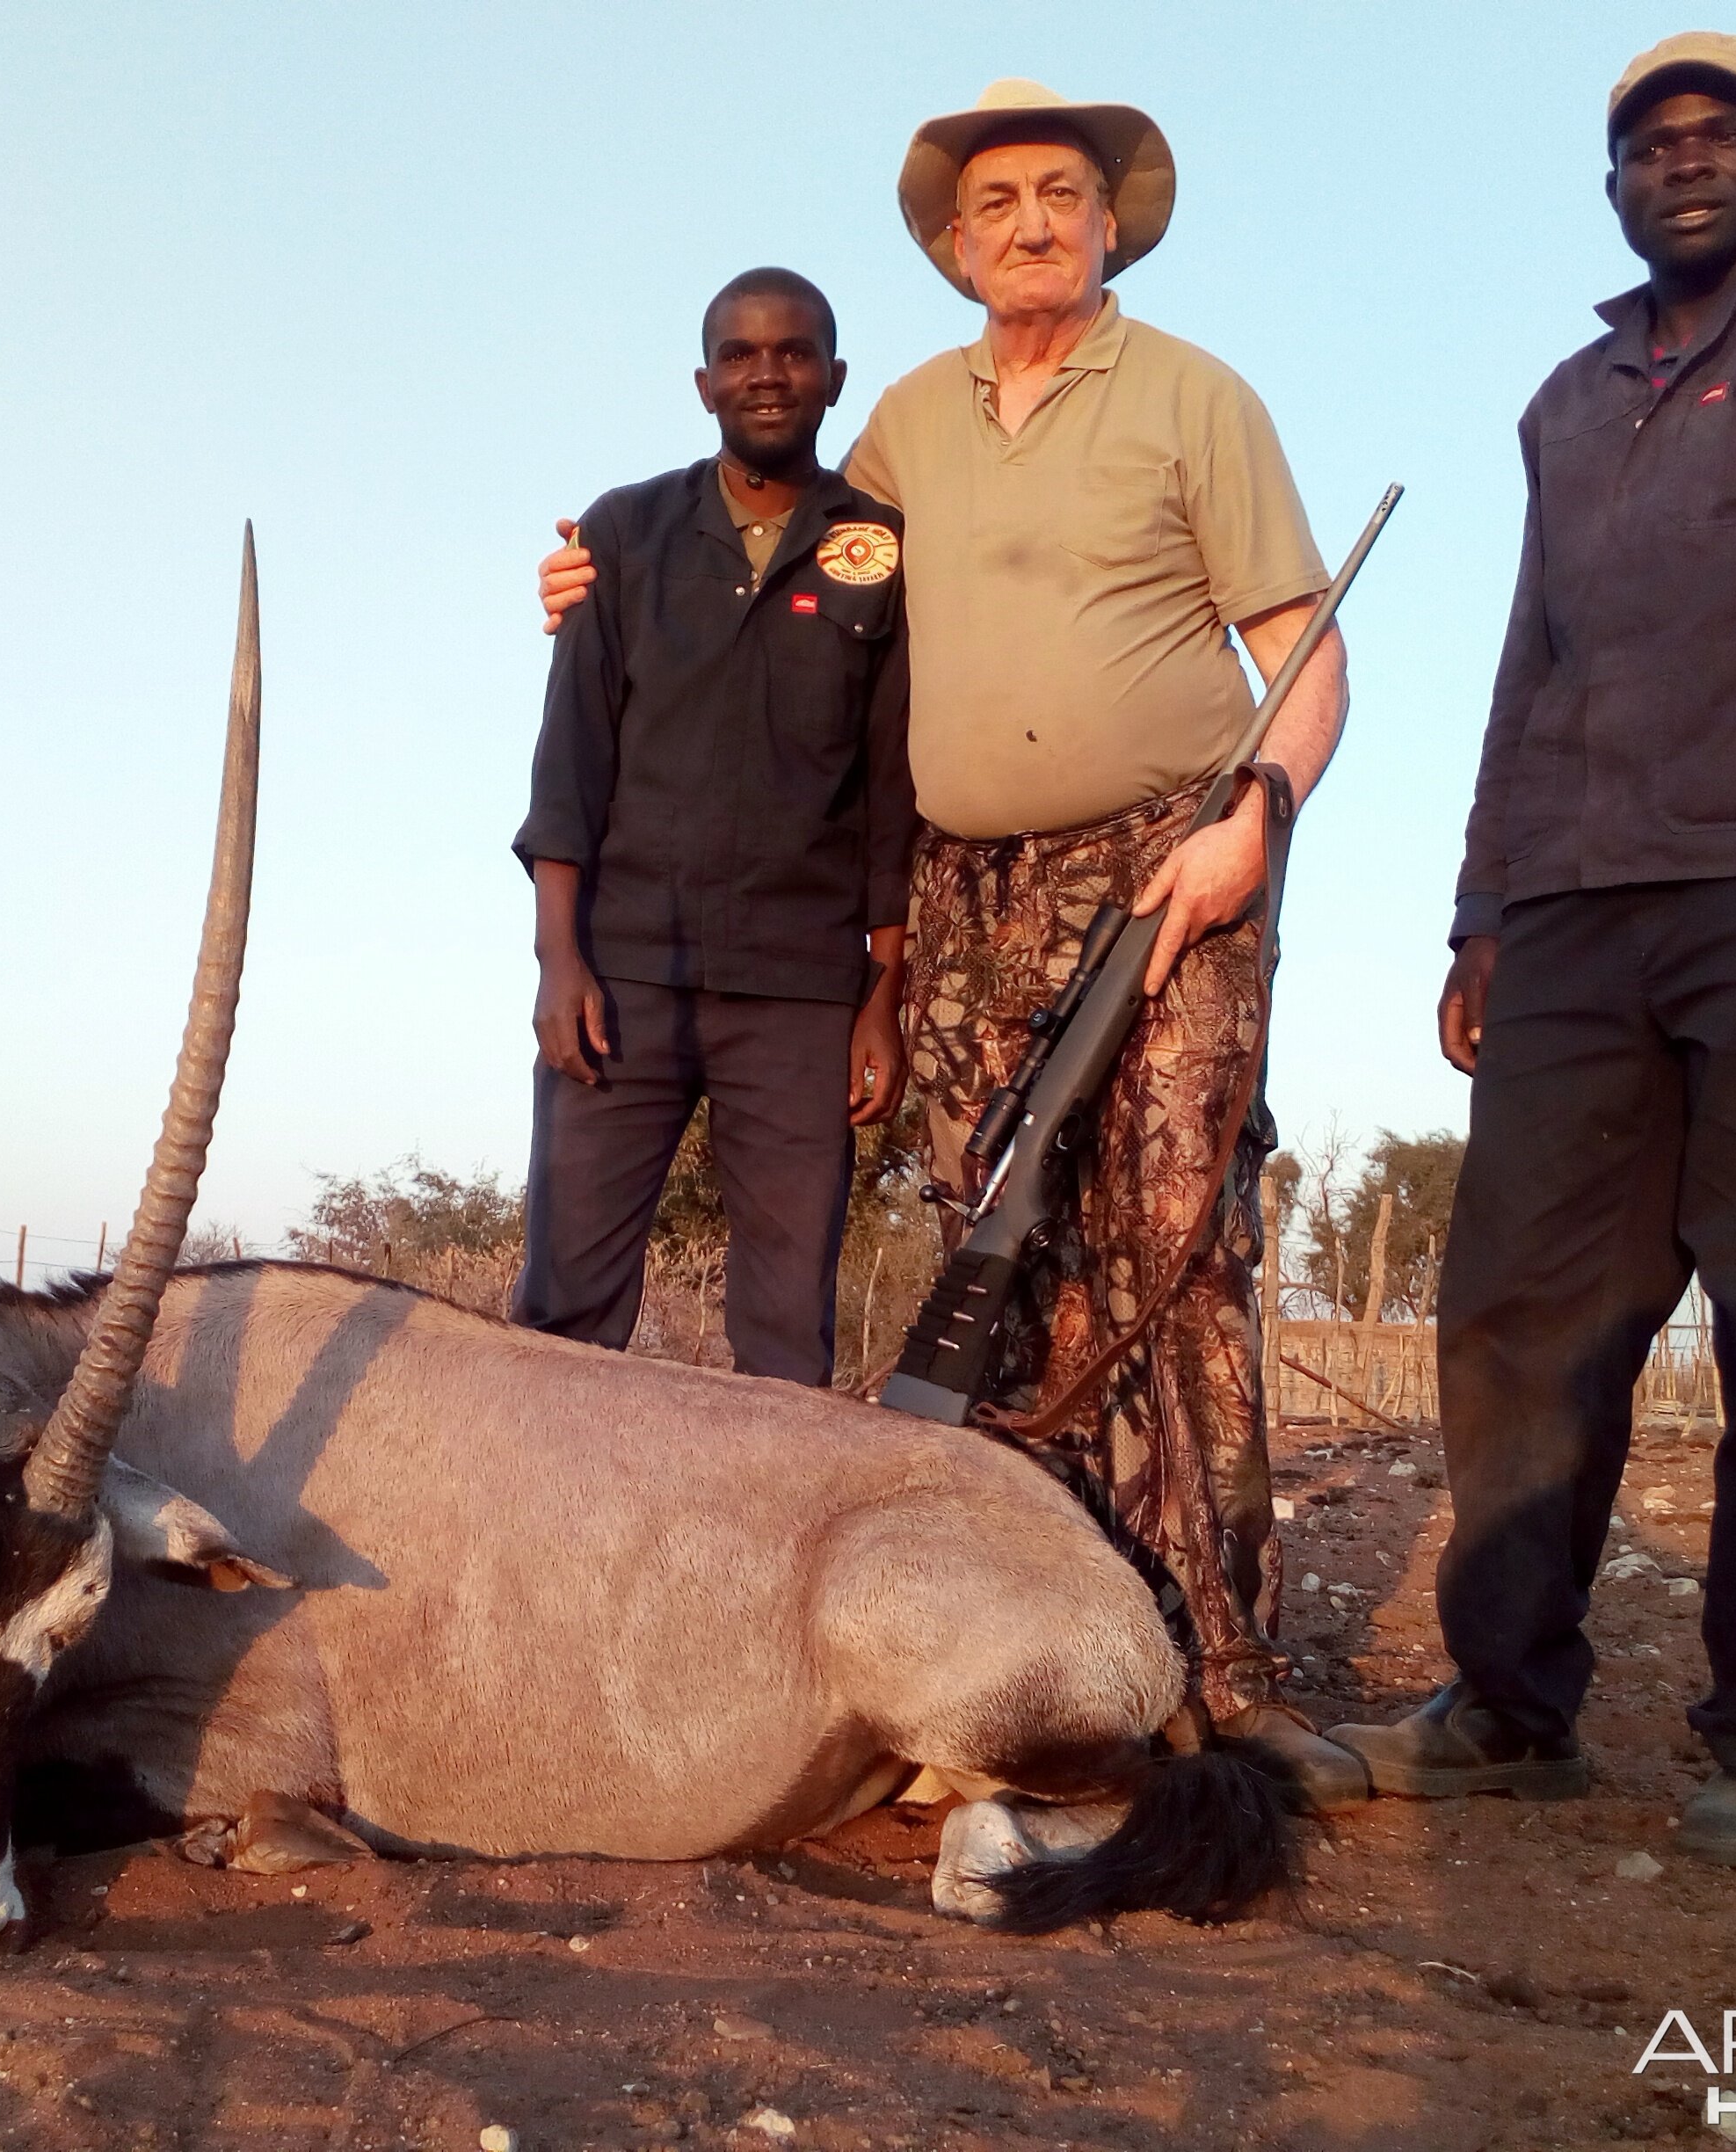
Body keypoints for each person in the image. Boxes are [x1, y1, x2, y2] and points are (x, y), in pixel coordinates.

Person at [542, 82, 1365, 1809]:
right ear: (957, 240)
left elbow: (1307, 653)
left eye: (1060, 193)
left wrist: (1256, 821)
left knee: (1177, 1243)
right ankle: (1026, 1638)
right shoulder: (906, 425)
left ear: (1110, 218)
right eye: (994, 203)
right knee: (996, 1250)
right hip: (970, 892)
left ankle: (1229, 1664)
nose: (1030, 223)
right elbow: (768, 567)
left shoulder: (1198, 400)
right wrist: (595, 575)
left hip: (1165, 864)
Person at [1329, 34, 1736, 1872]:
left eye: (1722, 133)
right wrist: (1481, 906)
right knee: (1517, 1315)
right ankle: (1507, 1710)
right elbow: (1527, 660)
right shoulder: (1568, 395)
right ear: (1614, 181)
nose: (1686, 161)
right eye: (1650, 143)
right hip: (1568, 902)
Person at [511, 268, 915, 1386]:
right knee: (564, 1312)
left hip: (798, 988)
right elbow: (570, 764)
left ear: (835, 379)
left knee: (788, 1332)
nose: (767, 374)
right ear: (703, 383)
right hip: (624, 972)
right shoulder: (625, 532)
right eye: (741, 355)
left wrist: (881, 996)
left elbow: (890, 795)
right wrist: (559, 959)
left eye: (793, 353)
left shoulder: (876, 549)